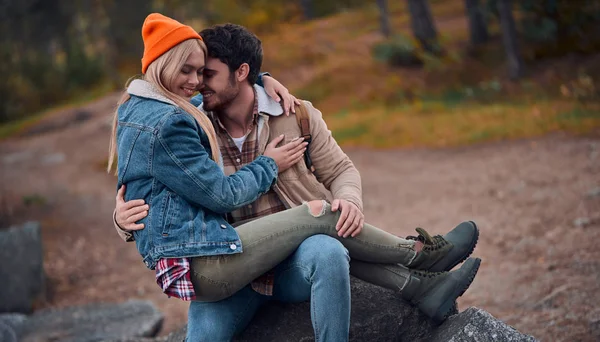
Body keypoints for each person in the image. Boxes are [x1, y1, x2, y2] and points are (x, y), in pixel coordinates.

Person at [111, 15, 481, 342]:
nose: (196, 83)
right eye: (191, 73)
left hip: (294, 256)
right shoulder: (192, 117)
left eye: (206, 74)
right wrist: (122, 221)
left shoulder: (293, 114)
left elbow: (341, 170)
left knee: (328, 247)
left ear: (242, 72)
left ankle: (419, 276)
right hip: (229, 257)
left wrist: (350, 200)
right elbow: (155, 183)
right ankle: (419, 264)